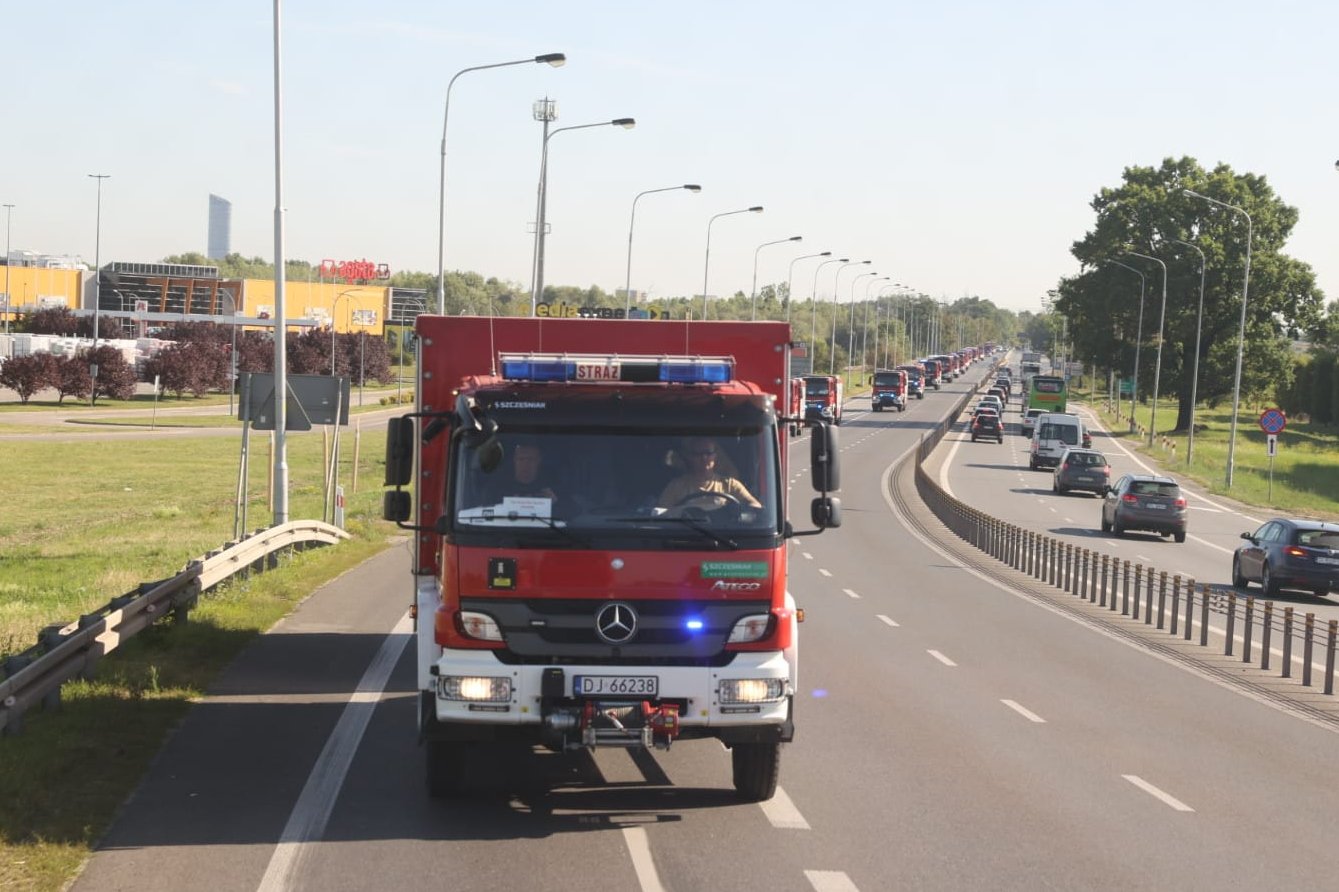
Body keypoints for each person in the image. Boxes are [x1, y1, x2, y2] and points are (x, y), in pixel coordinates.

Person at [658, 437, 761, 510]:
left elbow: (755, 505)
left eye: (708, 453)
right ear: (690, 458)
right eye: (698, 454)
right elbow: (660, 513)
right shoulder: (676, 486)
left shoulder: (730, 485)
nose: (704, 458)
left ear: (715, 456)